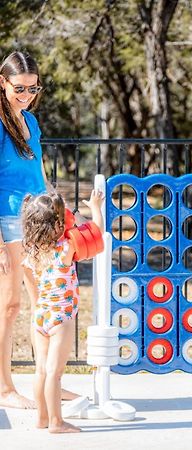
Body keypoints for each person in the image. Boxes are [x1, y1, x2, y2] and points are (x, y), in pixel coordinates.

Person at [22, 189, 104, 433]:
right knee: (55, 375)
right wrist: (95, 208)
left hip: (41, 316)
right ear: (59, 225)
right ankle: (57, 423)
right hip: (61, 318)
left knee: (41, 371)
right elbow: (95, 234)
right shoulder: (66, 248)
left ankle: (42, 418)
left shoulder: (32, 252)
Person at [0, 51, 47, 409]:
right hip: (8, 224)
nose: (27, 94)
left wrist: (54, 214)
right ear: (2, 82)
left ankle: (45, 384)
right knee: (9, 305)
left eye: (33, 88)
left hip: (36, 222)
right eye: (20, 88)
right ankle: (4, 389)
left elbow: (39, 176)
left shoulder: (30, 120)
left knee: (44, 304)